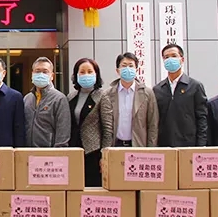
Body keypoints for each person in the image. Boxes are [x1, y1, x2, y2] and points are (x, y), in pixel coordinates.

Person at [100, 52, 159, 153]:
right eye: (124, 66)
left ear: (136, 69)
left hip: (138, 146)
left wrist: (151, 150)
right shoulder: (108, 94)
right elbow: (105, 127)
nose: (128, 69)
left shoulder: (147, 93)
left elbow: (153, 124)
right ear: (117, 70)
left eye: (131, 66)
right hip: (115, 146)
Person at [153, 43, 208, 148]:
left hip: (189, 145)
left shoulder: (195, 86)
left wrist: (201, 145)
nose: (170, 59)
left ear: (182, 59)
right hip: (165, 145)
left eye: (174, 56)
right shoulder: (158, 89)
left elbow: (202, 117)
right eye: (166, 57)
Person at [67, 58, 107, 186]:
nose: (86, 75)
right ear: (76, 75)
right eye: (82, 72)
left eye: (90, 72)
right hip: (74, 149)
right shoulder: (71, 97)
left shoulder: (102, 96)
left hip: (93, 151)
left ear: (96, 74)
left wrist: (104, 155)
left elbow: (107, 129)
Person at [24, 56, 71, 147]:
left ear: (52, 76)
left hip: (49, 152)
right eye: (37, 71)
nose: (41, 74)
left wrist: (59, 151)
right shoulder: (27, 98)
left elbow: (63, 131)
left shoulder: (59, 99)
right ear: (32, 74)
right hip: (27, 152)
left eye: (45, 72)